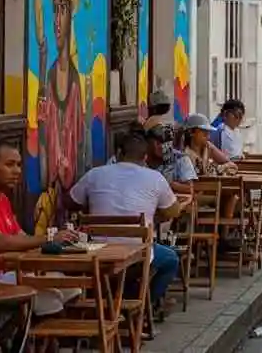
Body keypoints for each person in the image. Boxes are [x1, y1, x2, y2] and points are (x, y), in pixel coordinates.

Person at [0, 141, 82, 314]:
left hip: (11, 272)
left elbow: (21, 236)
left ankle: (48, 338)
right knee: (51, 297)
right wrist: (49, 238)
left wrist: (57, 244)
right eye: (9, 165)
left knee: (71, 287)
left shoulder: (2, 199)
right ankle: (32, 340)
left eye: (19, 165)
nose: (17, 171)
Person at [67, 129, 184, 310]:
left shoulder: (95, 174)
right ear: (145, 157)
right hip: (138, 257)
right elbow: (173, 211)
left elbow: (70, 201)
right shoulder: (155, 178)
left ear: (119, 153)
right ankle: (143, 305)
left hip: (97, 254)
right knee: (171, 259)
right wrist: (153, 214)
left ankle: (122, 299)